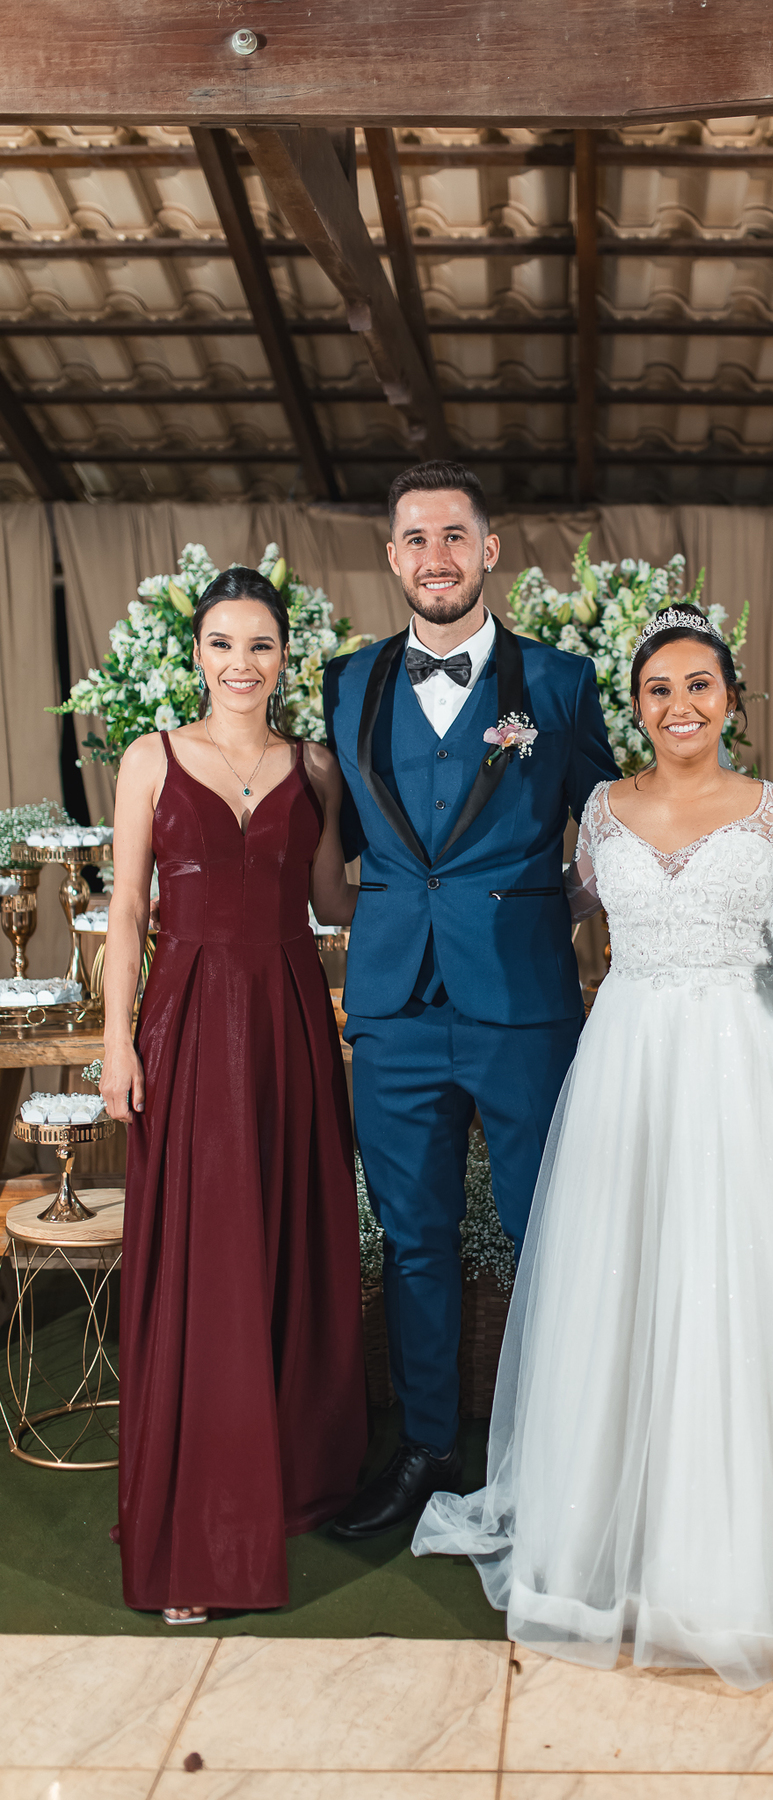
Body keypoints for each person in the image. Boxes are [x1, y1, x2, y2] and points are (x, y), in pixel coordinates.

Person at [412, 603, 773, 1689]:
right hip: (631, 1062)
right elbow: (554, 911)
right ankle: (613, 1522)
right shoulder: (600, 810)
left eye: (699, 685)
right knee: (628, 1276)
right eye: (658, 689)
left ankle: (752, 1538)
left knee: (745, 1280)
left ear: (731, 697)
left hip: (748, 1062)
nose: (680, 706)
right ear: (635, 708)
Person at [322, 460, 619, 1539]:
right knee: (414, 1239)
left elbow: (614, 825)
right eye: (415, 538)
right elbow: (334, 837)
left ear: (489, 550)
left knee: (551, 1231)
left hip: (523, 1004)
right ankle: (428, 1448)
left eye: (454, 536)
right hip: (394, 1005)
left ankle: (559, 1455)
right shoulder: (346, 682)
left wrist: (556, 905)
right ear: (391, 556)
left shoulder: (561, 683)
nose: (435, 557)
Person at [103, 566, 368, 1624]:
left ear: (285, 656)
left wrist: (448, 877)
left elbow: (333, 899)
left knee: (290, 1235)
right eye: (222, 643)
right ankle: (203, 1525)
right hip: (186, 1017)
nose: (241, 663)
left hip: (291, 1018)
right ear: (196, 653)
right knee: (203, 1258)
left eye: (260, 645)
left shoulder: (318, 768)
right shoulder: (150, 759)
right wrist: (117, 1044)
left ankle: (289, 1473)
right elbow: (128, 909)